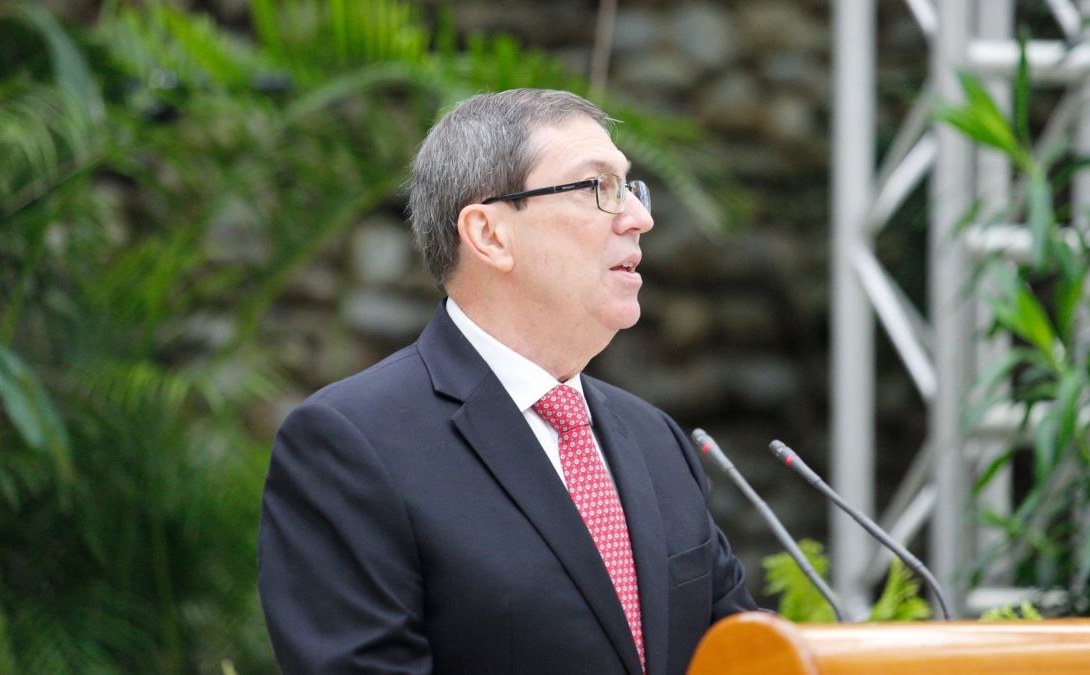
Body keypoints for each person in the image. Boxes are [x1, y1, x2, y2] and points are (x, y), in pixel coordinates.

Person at [258, 88, 756, 675]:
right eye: (599, 188)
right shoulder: (350, 444)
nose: (640, 218)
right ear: (490, 235)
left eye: (631, 187)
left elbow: (738, 654)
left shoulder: (657, 440)